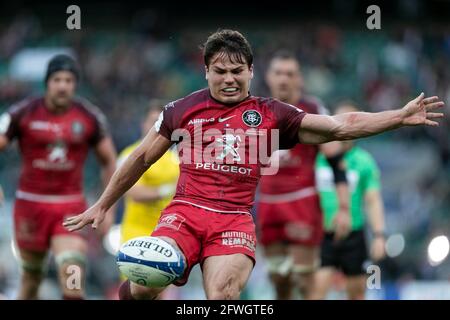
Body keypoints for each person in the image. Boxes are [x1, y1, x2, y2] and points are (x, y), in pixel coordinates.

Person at [63, 29, 444, 300]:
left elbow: (341, 126)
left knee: (224, 294)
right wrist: (103, 203)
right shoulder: (181, 110)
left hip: (233, 220)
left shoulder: (271, 114)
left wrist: (398, 116)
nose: (229, 79)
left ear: (250, 71)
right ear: (206, 72)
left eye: (237, 71)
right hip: (184, 213)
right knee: (145, 286)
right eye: (220, 71)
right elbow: (141, 158)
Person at [0, 54, 117, 300]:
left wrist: (107, 207)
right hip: (29, 207)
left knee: (72, 282)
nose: (63, 85)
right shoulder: (23, 113)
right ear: (47, 82)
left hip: (70, 208)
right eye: (57, 79)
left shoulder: (89, 117)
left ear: (75, 84)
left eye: (68, 80)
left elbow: (109, 162)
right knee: (31, 280)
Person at [256, 51, 350, 300]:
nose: (284, 79)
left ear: (300, 79)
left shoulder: (312, 109)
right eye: (278, 73)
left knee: (304, 279)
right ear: (268, 77)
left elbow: (336, 160)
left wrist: (343, 208)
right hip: (267, 203)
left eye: (290, 74)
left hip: (302, 202)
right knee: (279, 279)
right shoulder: (255, 109)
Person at [311, 102, 386, 300]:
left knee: (356, 294)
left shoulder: (363, 161)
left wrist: (379, 235)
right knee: (315, 294)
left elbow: (373, 200)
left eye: (351, 120)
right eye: (340, 120)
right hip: (321, 235)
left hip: (353, 235)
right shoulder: (317, 157)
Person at [118, 100, 179, 244]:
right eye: (154, 122)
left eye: (163, 124)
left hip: (168, 233)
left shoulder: (175, 158)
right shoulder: (129, 155)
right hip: (136, 233)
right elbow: (134, 193)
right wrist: (169, 189)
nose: (158, 128)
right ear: (143, 124)